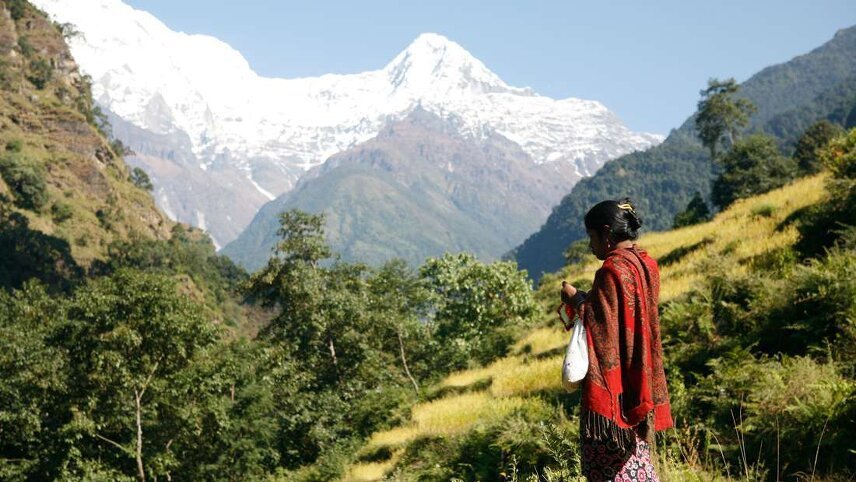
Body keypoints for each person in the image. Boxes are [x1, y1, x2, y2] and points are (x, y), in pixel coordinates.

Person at [559, 198, 673, 482]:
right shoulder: (646, 264)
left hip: (615, 391)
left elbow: (601, 328)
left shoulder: (611, 271)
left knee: (612, 466)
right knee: (638, 456)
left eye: (592, 237)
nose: (591, 246)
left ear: (607, 233)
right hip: (640, 379)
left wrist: (576, 299)